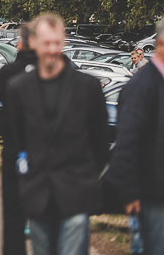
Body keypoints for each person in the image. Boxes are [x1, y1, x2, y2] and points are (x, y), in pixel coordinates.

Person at [7, 13, 109, 255]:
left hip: (76, 191)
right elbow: (16, 139)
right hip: (38, 193)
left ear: (63, 40)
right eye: (46, 43)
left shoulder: (88, 88)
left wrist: (87, 177)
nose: (52, 49)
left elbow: (100, 141)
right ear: (33, 43)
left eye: (57, 42)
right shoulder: (18, 88)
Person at [107, 15, 164, 255]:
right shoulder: (144, 84)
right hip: (154, 187)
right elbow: (127, 141)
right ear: (160, 44)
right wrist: (130, 192)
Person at [0, 23, 35, 255]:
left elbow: (2, 99)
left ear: (20, 42)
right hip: (46, 149)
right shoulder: (53, 69)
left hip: (14, 147)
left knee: (13, 215)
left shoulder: (8, 72)